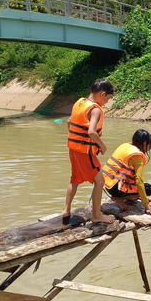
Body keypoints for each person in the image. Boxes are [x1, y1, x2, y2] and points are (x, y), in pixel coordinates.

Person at [61, 78, 115, 225]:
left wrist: (75, 140)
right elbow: (92, 132)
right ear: (102, 94)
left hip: (73, 150)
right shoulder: (95, 109)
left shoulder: (80, 103)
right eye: (108, 99)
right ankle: (97, 215)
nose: (107, 103)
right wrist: (102, 146)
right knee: (100, 181)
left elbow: (69, 122)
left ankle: (66, 210)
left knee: (75, 179)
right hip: (85, 153)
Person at [101, 129, 151, 215]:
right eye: (149, 146)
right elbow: (139, 181)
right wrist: (147, 205)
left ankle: (123, 197)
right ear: (145, 144)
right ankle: (119, 199)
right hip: (116, 189)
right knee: (148, 189)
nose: (148, 150)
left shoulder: (125, 146)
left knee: (141, 187)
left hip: (106, 183)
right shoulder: (138, 157)